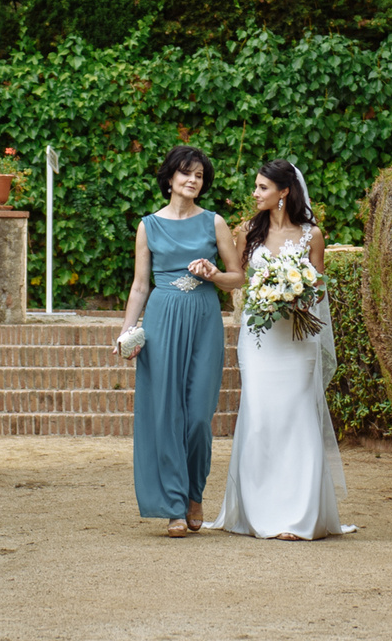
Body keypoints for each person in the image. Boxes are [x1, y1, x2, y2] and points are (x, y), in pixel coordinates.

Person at [205, 159, 353, 540]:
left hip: (297, 341)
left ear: (283, 191)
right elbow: (238, 279)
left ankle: (297, 516)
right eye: (255, 187)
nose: (255, 193)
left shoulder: (311, 235)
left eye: (262, 188)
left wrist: (298, 293)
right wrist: (215, 276)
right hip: (259, 342)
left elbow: (319, 286)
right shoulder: (247, 232)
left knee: (297, 417)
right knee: (262, 416)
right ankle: (258, 513)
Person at [118, 144, 239, 537]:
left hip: (204, 316)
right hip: (162, 318)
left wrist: (214, 274)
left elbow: (237, 277)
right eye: (186, 173)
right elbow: (139, 286)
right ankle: (173, 505)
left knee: (199, 417)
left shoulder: (215, 223)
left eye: (199, 176)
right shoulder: (148, 225)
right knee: (165, 411)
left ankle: (194, 493)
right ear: (170, 178)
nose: (193, 180)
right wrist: (126, 330)